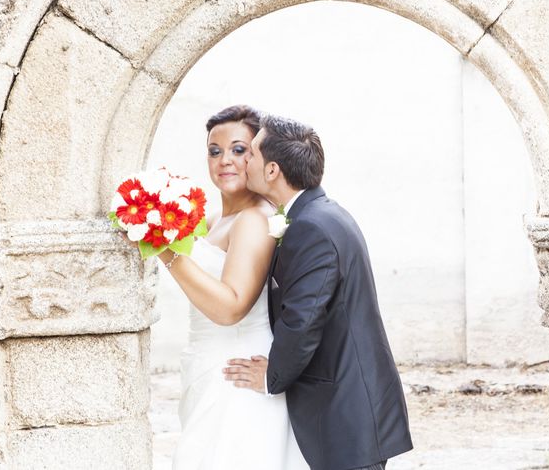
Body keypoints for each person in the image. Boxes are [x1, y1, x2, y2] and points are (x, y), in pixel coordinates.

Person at [222, 115, 413, 470]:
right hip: (349, 407)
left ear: (273, 170)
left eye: (251, 154)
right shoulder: (320, 215)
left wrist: (271, 376)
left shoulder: (311, 227)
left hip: (346, 414)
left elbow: (303, 319)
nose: (243, 161)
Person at [131, 105, 309, 469]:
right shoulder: (213, 220)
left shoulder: (254, 219)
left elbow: (230, 307)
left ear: (260, 157)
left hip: (237, 368)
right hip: (206, 362)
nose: (225, 160)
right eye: (215, 151)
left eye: (239, 150)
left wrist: (164, 250)